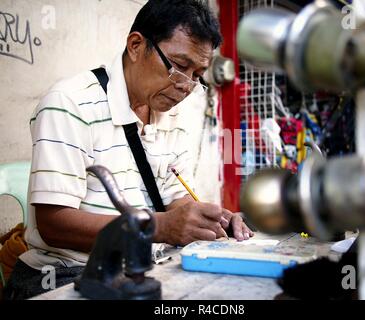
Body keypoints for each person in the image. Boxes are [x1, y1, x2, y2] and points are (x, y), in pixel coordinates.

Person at [3, 0, 253, 300]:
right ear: (136, 45)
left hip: (142, 267)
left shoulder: (170, 116)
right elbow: (53, 224)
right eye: (179, 66)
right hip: (68, 273)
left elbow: (175, 197)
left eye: (197, 76)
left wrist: (208, 220)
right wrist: (159, 227)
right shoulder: (69, 103)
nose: (186, 86)